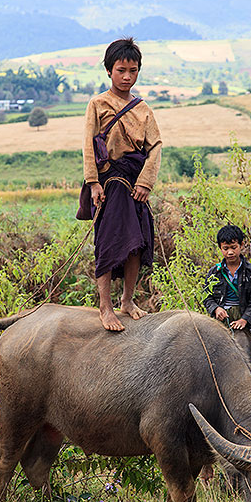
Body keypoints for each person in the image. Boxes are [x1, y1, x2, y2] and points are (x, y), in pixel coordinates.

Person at [83, 38, 162, 331]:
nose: (127, 76)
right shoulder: (98, 104)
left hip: (135, 183)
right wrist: (93, 183)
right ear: (108, 70)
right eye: (121, 70)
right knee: (109, 242)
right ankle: (105, 307)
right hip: (110, 182)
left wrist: (146, 182)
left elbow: (156, 147)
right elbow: (88, 145)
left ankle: (127, 301)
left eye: (133, 70)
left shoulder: (143, 110)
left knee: (137, 243)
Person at [203, 224, 251, 365]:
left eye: (234, 247)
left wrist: (244, 319)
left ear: (242, 245)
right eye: (226, 249)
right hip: (221, 317)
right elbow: (206, 296)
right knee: (201, 354)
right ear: (220, 248)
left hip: (244, 315)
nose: (230, 252)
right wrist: (215, 309)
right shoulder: (214, 272)